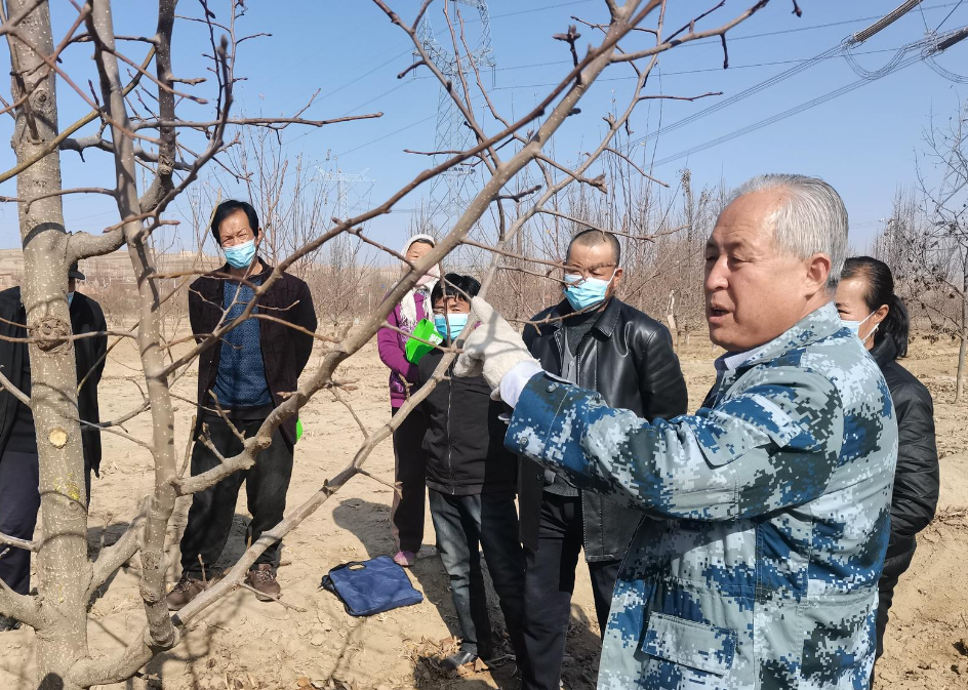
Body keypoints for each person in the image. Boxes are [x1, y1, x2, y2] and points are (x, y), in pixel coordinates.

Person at [454, 174, 899, 688]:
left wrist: (519, 378)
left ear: (811, 273)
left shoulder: (815, 382)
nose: (714, 277)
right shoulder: (772, 368)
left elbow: (667, 463)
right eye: (712, 257)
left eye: (738, 257)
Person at [518, 229, 688, 690]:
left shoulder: (643, 335)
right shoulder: (538, 330)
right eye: (574, 270)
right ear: (562, 269)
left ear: (616, 276)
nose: (583, 279)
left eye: (596, 271)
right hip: (546, 497)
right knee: (540, 613)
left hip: (614, 506)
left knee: (622, 618)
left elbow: (669, 429)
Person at [166, 199, 317, 609]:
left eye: (242, 235)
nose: (236, 243)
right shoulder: (205, 290)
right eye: (227, 238)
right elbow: (205, 344)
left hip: (271, 411)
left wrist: (279, 386)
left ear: (259, 235)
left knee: (270, 495)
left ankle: (263, 564)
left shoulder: (289, 289)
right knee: (209, 496)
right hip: (217, 411)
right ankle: (197, 571)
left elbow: (301, 344)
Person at [415, 273, 526, 672]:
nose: (447, 314)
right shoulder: (426, 359)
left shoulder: (493, 359)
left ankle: (528, 653)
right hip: (440, 482)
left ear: (473, 309)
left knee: (506, 571)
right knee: (459, 570)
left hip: (487, 482)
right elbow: (419, 422)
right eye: (440, 308)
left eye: (456, 307)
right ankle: (475, 642)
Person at [836, 256, 939, 682]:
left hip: (861, 576)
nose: (828, 322)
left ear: (877, 316)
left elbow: (915, 501)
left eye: (840, 313)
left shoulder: (903, 395)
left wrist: (841, 545)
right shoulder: (817, 377)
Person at [0, 264, 107, 631]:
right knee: (12, 522)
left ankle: (65, 600)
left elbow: (95, 369)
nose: (65, 289)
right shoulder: (5, 308)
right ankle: (10, 604)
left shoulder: (89, 311)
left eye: (70, 282)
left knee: (69, 520)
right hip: (17, 436)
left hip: (71, 434)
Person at [377, 234, 439, 568]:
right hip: (406, 395)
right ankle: (408, 542)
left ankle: (450, 541)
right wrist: (413, 372)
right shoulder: (395, 296)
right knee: (409, 471)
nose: (419, 260)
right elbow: (386, 343)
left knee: (446, 470)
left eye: (427, 255)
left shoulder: (450, 294)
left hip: (445, 395)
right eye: (412, 254)